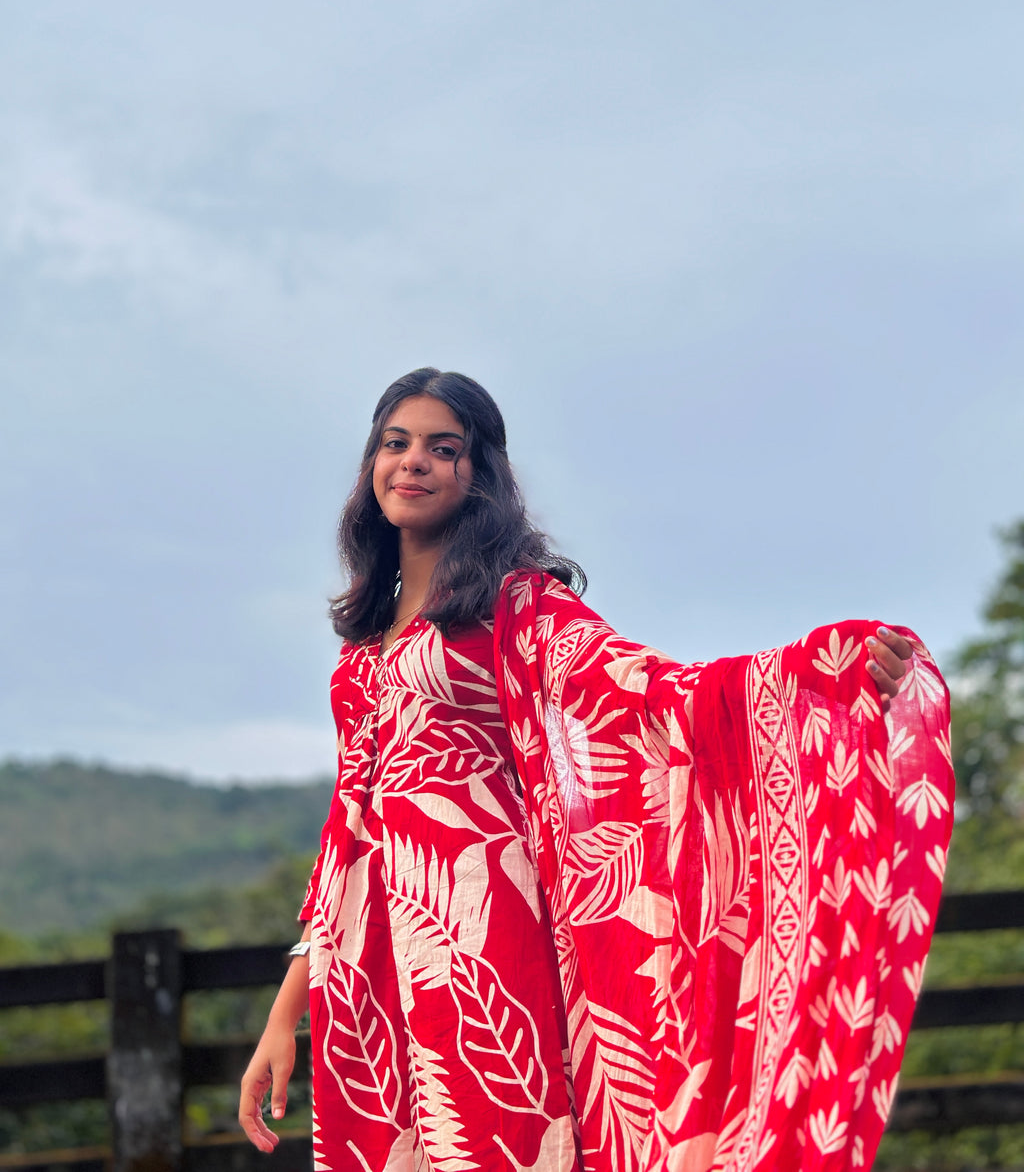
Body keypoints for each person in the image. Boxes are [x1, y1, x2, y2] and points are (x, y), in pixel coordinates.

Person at [239, 368, 952, 1172]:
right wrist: (284, 1013)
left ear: (480, 475)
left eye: (444, 448)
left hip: (480, 934)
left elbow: (657, 693)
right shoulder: (363, 642)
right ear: (371, 466)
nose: (415, 462)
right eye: (396, 444)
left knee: (495, 1142)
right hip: (370, 960)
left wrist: (814, 666)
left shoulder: (517, 607)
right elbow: (347, 826)